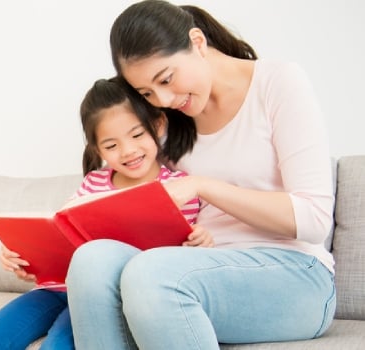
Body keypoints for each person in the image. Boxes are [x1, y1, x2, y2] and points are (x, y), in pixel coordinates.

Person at [65, 1, 337, 349]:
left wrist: (202, 186)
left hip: (296, 274)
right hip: (197, 264)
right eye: (147, 93)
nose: (162, 98)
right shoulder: (170, 118)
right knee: (92, 260)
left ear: (196, 42)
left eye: (166, 79)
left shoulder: (278, 82)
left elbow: (315, 220)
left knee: (151, 274)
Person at [0, 77, 212, 350]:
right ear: (97, 149)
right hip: (56, 290)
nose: (128, 151)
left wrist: (201, 242)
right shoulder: (92, 184)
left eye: (136, 135)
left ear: (157, 126)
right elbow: (58, 232)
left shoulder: (180, 188)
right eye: (111, 146)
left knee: (56, 347)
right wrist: (23, 257)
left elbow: (187, 261)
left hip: (102, 299)